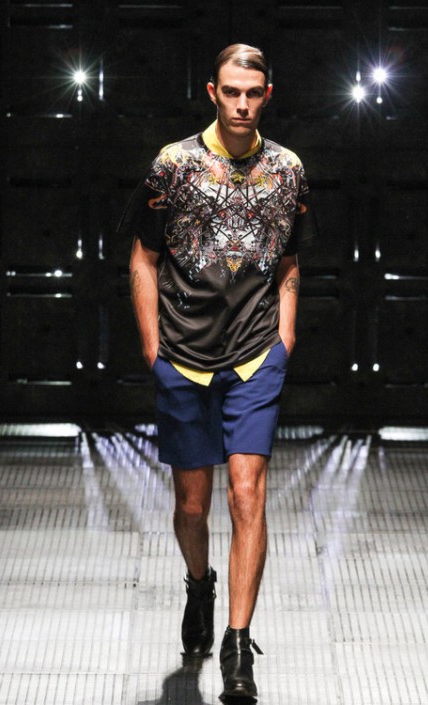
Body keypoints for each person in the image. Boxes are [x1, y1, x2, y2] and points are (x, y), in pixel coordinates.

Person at [120, 43, 317, 699]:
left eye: (252, 93)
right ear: (212, 92)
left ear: (267, 95)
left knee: (246, 493)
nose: (241, 104)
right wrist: (152, 347)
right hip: (183, 356)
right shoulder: (173, 165)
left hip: (256, 356)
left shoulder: (287, 170)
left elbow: (289, 260)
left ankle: (237, 645)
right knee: (192, 504)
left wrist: (285, 335)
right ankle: (199, 585)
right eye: (231, 91)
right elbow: (143, 258)